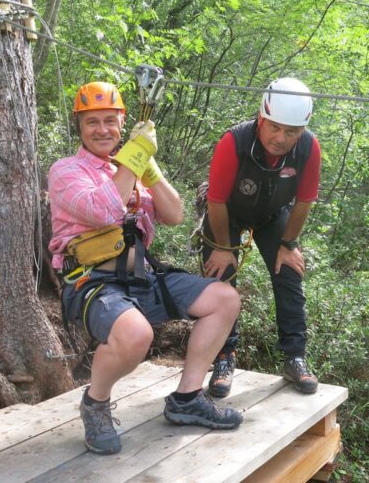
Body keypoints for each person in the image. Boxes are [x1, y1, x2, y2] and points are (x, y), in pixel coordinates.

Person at [48, 81, 243, 455]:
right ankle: (96, 404)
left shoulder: (131, 170)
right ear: (80, 127)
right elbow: (104, 211)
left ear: (122, 124)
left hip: (143, 279)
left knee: (224, 299)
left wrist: (149, 170)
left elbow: (175, 214)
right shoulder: (66, 171)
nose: (102, 130)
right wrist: (131, 160)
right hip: (94, 284)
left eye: (110, 121)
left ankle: (187, 399)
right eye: (93, 123)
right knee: (137, 336)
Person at [199, 77, 321, 397]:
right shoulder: (234, 142)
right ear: (261, 117)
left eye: (291, 132)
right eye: (275, 128)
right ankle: (224, 357)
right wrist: (225, 248)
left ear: (302, 130)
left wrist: (288, 245)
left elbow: (305, 200)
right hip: (227, 212)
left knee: (289, 272)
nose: (281, 138)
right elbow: (216, 201)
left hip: (271, 214)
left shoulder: (308, 148)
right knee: (220, 278)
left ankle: (295, 356)